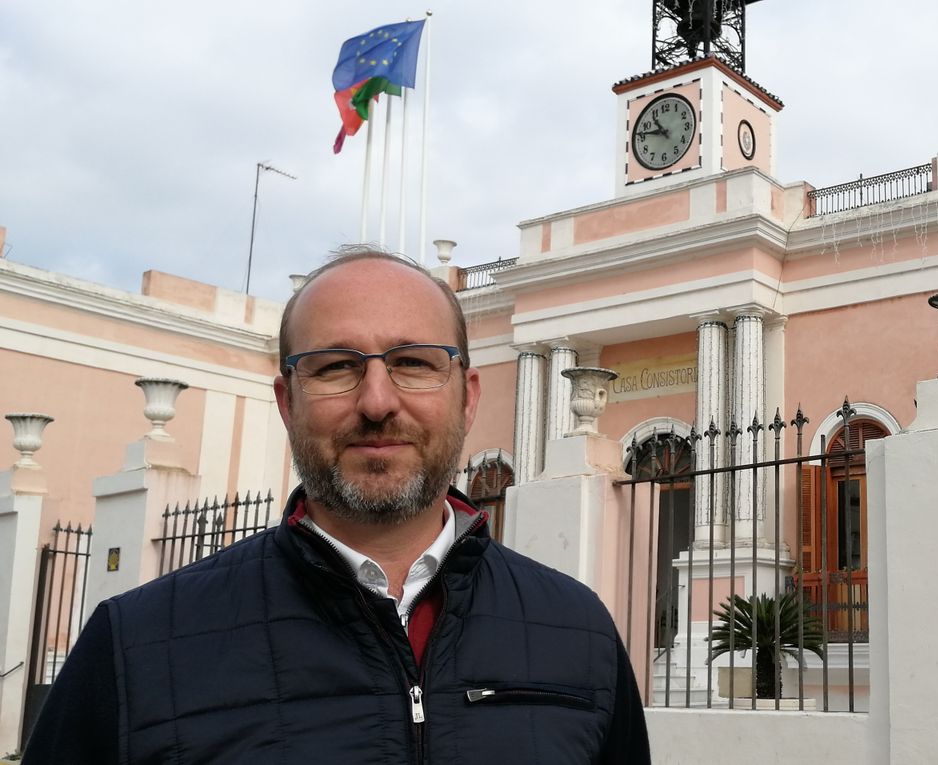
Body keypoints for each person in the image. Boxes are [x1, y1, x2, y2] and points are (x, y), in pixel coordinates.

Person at [24, 249, 650, 763]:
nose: (377, 402)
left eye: (413, 362)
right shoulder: (135, 647)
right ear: (287, 402)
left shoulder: (579, 635)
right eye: (333, 368)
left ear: (467, 397)